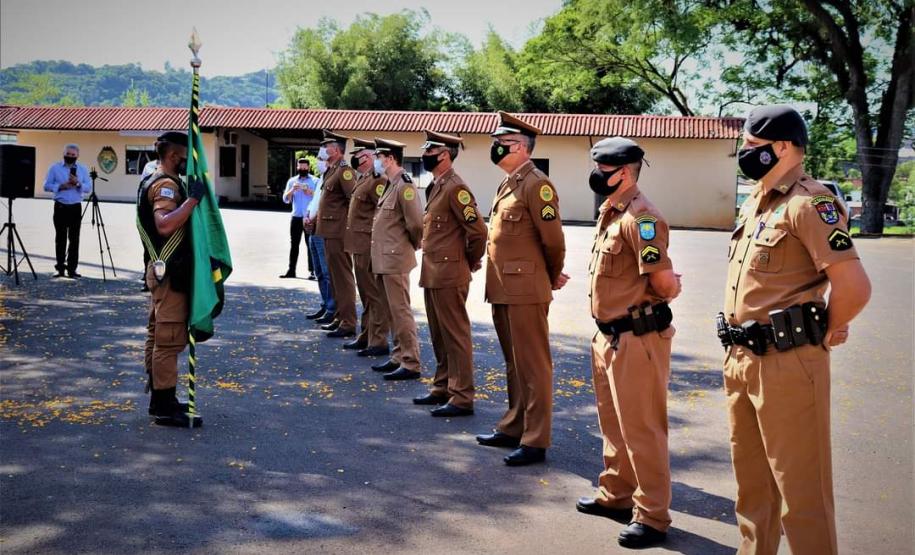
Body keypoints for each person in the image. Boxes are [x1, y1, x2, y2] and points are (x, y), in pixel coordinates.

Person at [721, 105, 871, 555]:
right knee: (753, 491)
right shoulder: (757, 200)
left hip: (789, 364)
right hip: (742, 358)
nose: (744, 154)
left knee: (801, 494)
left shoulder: (812, 203)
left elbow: (855, 286)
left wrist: (830, 327)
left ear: (782, 147)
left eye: (751, 146)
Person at [575, 137, 682, 549]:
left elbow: (663, 281)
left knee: (643, 430)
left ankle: (652, 516)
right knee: (614, 425)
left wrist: (671, 288)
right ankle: (616, 495)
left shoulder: (642, 218)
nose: (597, 174)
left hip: (638, 338)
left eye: (603, 169)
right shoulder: (612, 212)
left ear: (624, 172)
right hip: (609, 336)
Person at [475, 112, 567, 466]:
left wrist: (551, 275)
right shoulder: (508, 182)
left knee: (534, 365)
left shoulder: (536, 184)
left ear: (520, 147)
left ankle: (535, 439)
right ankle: (514, 425)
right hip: (503, 287)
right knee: (514, 363)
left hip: (526, 287)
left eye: (501, 144)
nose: (495, 149)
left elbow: (553, 241)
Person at [413, 130, 487, 417]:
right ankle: (442, 386)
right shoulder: (437, 186)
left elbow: (479, 231)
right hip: (433, 272)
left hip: (449, 272)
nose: (425, 156)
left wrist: (469, 260)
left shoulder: (456, 188)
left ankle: (462, 395)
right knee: (439, 334)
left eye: (430, 152)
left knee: (455, 335)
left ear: (444, 154)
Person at [136, 131, 206, 427]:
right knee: (168, 339)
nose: (187, 163)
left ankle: (161, 398)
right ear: (174, 156)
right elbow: (164, 225)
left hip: (163, 271)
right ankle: (164, 406)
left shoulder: (154, 176)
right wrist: (191, 201)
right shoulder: (165, 184)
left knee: (160, 337)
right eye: (184, 157)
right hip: (170, 275)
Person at [369, 138, 424, 381]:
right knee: (392, 311)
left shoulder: (405, 185)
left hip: (395, 259)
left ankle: (411, 361)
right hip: (383, 259)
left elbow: (415, 223)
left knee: (400, 311)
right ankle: (398, 356)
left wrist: (409, 247)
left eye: (379, 157)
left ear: (390, 159)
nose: (376, 162)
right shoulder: (390, 184)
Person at [343, 138, 391, 357]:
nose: (355, 158)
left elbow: (381, 213)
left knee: (374, 295)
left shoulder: (378, 181)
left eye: (360, 154)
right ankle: (366, 334)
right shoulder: (363, 179)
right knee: (365, 294)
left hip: (368, 244)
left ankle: (378, 340)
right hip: (358, 245)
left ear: (369, 157)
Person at [315, 130, 358, 338]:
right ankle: (340, 318)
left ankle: (349, 322)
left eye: (327, 146)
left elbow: (354, 201)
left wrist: (348, 228)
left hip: (339, 232)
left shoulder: (345, 171)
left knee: (343, 277)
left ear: (337, 150)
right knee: (334, 277)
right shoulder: (330, 171)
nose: (323, 149)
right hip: (328, 232)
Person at [43, 143, 91, 278]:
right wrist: (60, 186)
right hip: (60, 206)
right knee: (60, 238)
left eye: (73, 155)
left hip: (75, 207)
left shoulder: (82, 169)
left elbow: (88, 187)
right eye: (68, 154)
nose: (70, 157)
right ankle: (60, 268)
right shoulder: (54, 168)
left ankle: (72, 269)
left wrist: (77, 183)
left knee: (74, 239)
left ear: (77, 156)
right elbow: (46, 186)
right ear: (63, 154)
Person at [305, 159, 336, 323]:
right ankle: (325, 304)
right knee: (318, 271)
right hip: (313, 230)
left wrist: (315, 218)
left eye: (322, 159)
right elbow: (315, 201)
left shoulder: (335, 176)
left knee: (327, 272)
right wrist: (307, 214)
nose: (318, 162)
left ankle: (332, 308)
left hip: (323, 230)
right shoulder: (321, 178)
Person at [279, 158, 317, 279]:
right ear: (297, 168)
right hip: (296, 217)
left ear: (309, 168)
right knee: (294, 244)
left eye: (305, 168)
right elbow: (285, 199)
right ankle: (291, 270)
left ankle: (312, 271)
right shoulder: (292, 181)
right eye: (300, 168)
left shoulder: (315, 181)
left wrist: (309, 191)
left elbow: (319, 198)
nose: (303, 170)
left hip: (309, 218)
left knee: (310, 244)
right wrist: (292, 190)